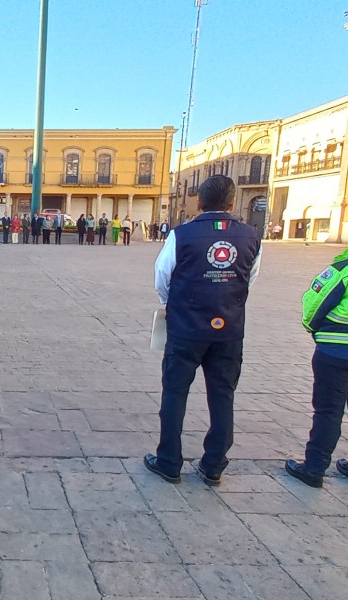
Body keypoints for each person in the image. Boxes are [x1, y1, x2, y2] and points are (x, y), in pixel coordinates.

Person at [144, 175, 262, 486]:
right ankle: (214, 465)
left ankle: (169, 461)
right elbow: (249, 278)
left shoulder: (182, 235)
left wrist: (174, 303)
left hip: (186, 328)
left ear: (199, 202)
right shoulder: (251, 236)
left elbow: (162, 275)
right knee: (223, 395)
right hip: (229, 329)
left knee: (174, 392)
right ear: (232, 203)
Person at [285, 247, 348, 487]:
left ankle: (314, 469)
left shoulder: (342, 270)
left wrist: (316, 331)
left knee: (329, 412)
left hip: (335, 350)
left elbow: (314, 304)